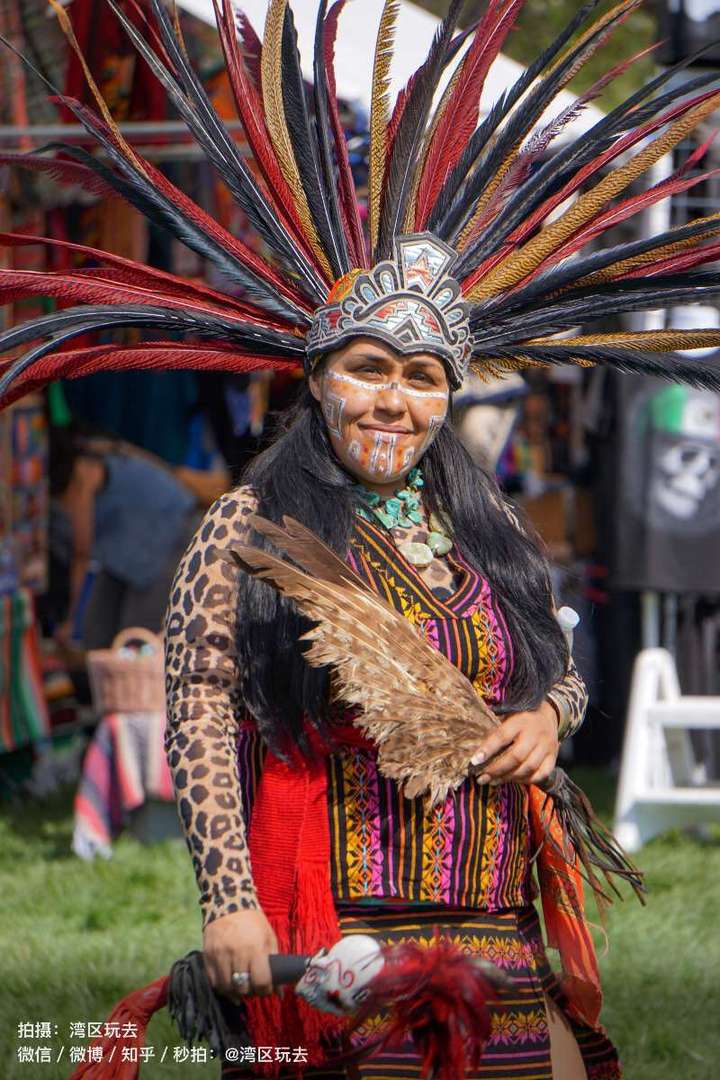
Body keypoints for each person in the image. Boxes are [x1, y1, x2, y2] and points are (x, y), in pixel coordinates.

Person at [3, 2, 720, 1078]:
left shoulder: (485, 524)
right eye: (369, 369)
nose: (394, 401)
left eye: (422, 377)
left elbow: (556, 657)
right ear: (319, 376)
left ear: (448, 395)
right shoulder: (251, 524)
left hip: (496, 917)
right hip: (338, 929)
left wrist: (545, 715)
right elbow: (198, 704)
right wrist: (231, 904)